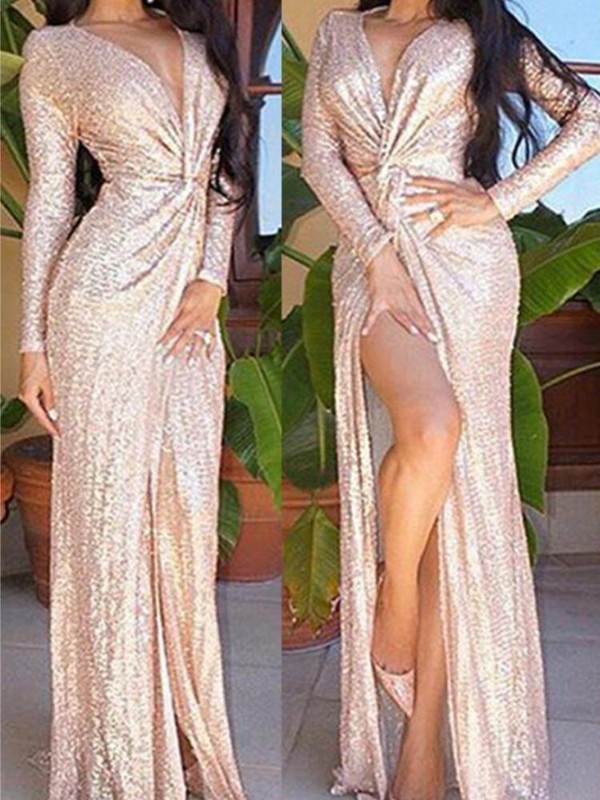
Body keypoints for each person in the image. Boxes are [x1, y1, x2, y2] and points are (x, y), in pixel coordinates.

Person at [301, 1, 600, 798]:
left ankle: (421, 754)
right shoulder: (338, 31)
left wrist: (497, 202)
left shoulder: (481, 30)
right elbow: (320, 154)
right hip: (375, 267)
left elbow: (589, 116)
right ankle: (394, 597)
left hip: (469, 265)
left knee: (457, 507)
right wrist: (377, 253)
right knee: (431, 426)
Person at [17, 0, 253, 797]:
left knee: (185, 512)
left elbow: (224, 171)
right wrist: (32, 345)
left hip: (188, 313)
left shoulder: (197, 40)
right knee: (110, 521)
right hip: (103, 300)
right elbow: (52, 200)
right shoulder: (57, 52)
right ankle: (120, 744)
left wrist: (213, 277)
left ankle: (179, 724)